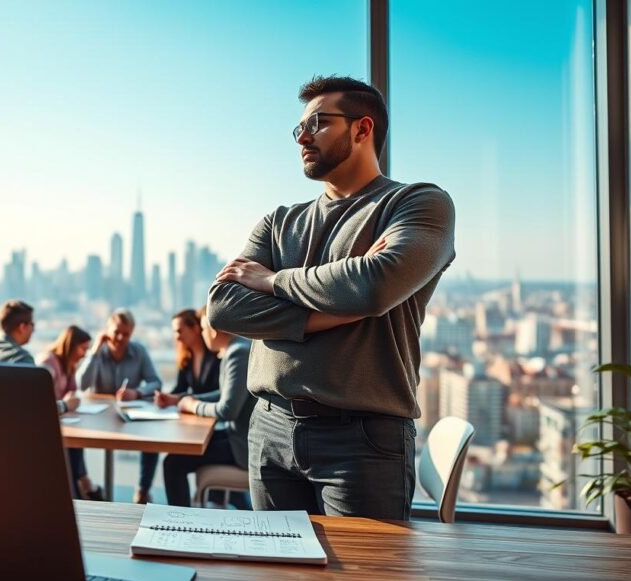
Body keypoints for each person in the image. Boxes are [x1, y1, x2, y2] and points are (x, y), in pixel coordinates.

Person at [207, 75, 455, 520]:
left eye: (318, 123)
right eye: (298, 128)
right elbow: (223, 306)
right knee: (279, 573)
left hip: (362, 439)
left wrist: (272, 281)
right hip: (268, 427)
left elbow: (375, 285)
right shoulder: (278, 222)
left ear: (362, 129)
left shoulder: (416, 204)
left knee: (361, 573)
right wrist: (334, 311)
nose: (302, 136)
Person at [157, 307, 255, 508]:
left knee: (172, 464)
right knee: (176, 458)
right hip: (236, 436)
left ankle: (181, 524)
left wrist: (193, 406)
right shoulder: (235, 348)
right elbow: (222, 394)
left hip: (242, 446)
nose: (202, 334)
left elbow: (227, 410)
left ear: (214, 329)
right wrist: (182, 400)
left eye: (203, 329)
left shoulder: (238, 353)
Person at [77, 308, 162, 503]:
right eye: (116, 332)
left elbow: (155, 382)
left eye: (126, 334)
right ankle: (85, 485)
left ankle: (142, 490)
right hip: (99, 416)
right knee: (76, 439)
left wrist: (137, 392)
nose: (120, 338)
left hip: (129, 414)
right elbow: (81, 384)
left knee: (152, 438)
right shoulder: (98, 352)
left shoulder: (139, 351)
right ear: (107, 330)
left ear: (132, 333)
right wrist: (94, 351)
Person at [137, 309, 222, 505]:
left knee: (173, 463)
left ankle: (185, 513)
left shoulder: (218, 355)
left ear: (195, 328)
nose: (176, 337)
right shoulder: (187, 357)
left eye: (179, 331)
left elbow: (220, 394)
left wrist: (182, 400)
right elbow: (180, 389)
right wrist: (168, 397)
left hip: (216, 425)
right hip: (195, 423)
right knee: (172, 461)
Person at [0, 300, 79, 415]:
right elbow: (36, 408)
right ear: (22, 327)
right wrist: (66, 405)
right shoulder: (21, 358)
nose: (34, 330)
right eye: (32, 324)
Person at [38, 325, 103, 500]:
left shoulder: (69, 364)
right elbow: (40, 402)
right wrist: (66, 405)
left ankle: (83, 487)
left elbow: (75, 389)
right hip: (46, 428)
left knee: (75, 448)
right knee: (72, 453)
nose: (84, 353)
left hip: (62, 423)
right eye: (83, 348)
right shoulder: (48, 364)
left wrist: (71, 398)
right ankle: (83, 490)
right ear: (71, 345)